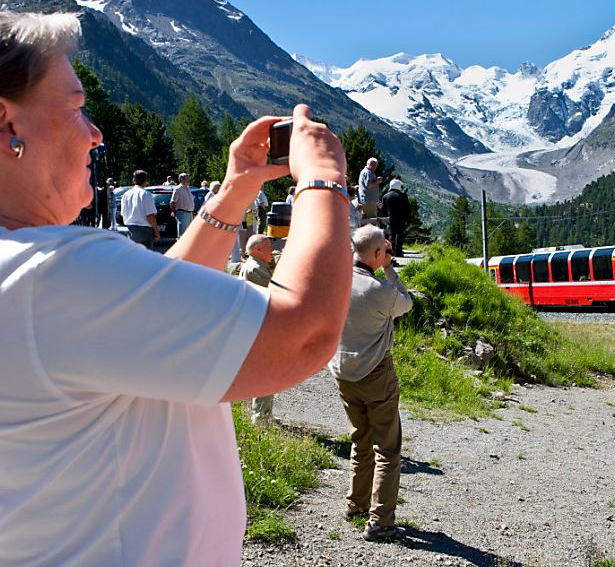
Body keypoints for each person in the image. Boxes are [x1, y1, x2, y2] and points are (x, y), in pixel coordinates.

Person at [0, 12, 353, 566]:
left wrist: (234, 191)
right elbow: (304, 333)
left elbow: (156, 304)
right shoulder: (49, 273)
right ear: (6, 123)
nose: (94, 132)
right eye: (74, 107)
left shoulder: (27, 275)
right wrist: (324, 182)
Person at [329, 224, 413, 542]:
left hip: (343, 373)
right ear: (378, 254)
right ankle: (380, 522)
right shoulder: (380, 291)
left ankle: (356, 504)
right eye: (384, 252)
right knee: (387, 449)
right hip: (375, 374)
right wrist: (390, 269)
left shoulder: (335, 282)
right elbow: (406, 302)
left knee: (359, 439)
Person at [238, 234, 276, 426]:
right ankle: (261, 418)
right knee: (265, 372)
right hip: (258, 328)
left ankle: (264, 413)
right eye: (269, 246)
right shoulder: (254, 269)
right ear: (257, 249)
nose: (273, 249)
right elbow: (275, 292)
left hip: (257, 325)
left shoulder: (257, 265)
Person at [120, 169, 159, 248]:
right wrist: (156, 231)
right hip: (144, 231)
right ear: (146, 181)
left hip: (130, 229)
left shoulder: (126, 194)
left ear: (133, 180)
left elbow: (123, 213)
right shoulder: (146, 194)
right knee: (146, 257)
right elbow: (150, 215)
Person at [381, 178, 411, 256]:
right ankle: (398, 251)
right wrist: (407, 218)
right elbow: (407, 208)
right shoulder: (402, 196)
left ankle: (391, 251)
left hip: (390, 218)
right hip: (401, 218)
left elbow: (383, 210)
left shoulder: (386, 196)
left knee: (392, 235)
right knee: (400, 234)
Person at [358, 157, 383, 222]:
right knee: (372, 221)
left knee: (366, 220)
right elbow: (369, 185)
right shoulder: (368, 172)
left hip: (366, 200)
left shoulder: (364, 171)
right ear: (369, 164)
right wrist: (378, 181)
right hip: (369, 201)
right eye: (374, 165)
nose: (375, 168)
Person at [171, 172, 196, 236]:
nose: (188, 179)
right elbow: (172, 202)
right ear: (181, 179)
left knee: (190, 234)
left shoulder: (187, 188)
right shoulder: (178, 189)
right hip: (182, 213)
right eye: (186, 178)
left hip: (190, 213)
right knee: (183, 235)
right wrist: (174, 212)